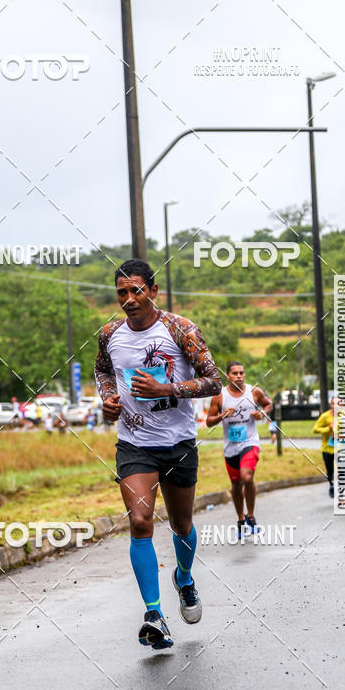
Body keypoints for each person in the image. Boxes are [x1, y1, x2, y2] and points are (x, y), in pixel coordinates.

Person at [94, 259, 221, 650]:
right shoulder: (109, 334)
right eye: (122, 292)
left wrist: (168, 390)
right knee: (140, 519)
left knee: (182, 525)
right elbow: (102, 372)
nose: (129, 299)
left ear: (153, 291)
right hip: (134, 444)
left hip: (178, 442)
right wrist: (108, 399)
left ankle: (183, 577)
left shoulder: (180, 329)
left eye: (136, 290)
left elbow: (212, 380)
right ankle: (154, 614)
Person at [206, 362, 272, 538]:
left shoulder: (254, 392)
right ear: (228, 376)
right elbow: (208, 421)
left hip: (250, 442)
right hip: (231, 446)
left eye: (242, 373)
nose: (239, 376)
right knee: (235, 484)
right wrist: (222, 415)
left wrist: (262, 413)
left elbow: (268, 404)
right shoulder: (219, 397)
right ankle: (241, 519)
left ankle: (251, 515)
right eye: (235, 373)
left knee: (247, 476)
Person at [313, 397, 336, 498]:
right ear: (331, 405)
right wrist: (328, 429)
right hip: (327, 447)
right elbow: (315, 429)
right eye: (333, 404)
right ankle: (332, 485)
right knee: (330, 471)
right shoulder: (325, 416)